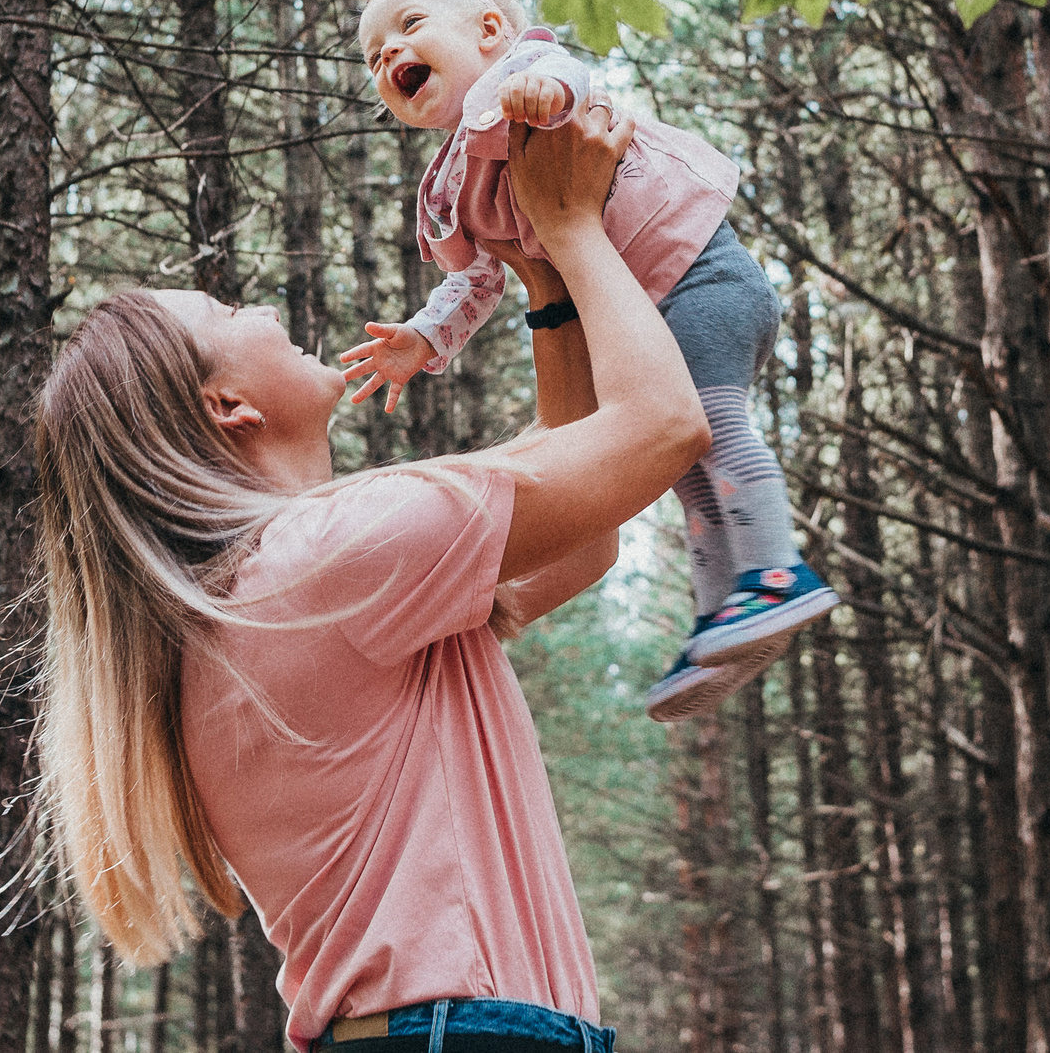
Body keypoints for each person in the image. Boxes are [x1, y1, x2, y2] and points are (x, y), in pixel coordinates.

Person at [36, 107, 707, 1051]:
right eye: (230, 313)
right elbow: (664, 429)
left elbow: (583, 535)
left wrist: (544, 279)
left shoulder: (264, 600)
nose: (262, 310)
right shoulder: (328, 557)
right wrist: (572, 224)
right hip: (467, 1033)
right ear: (226, 405)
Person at [338, 0, 834, 719]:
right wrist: (425, 337)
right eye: (373, 57)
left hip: (700, 272)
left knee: (706, 424)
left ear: (491, 31)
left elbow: (570, 85)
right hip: (642, 317)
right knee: (677, 459)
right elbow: (477, 277)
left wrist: (537, 91)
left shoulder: (526, 75)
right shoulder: (457, 184)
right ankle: (724, 613)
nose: (388, 52)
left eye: (408, 24)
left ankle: (775, 571)